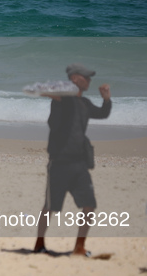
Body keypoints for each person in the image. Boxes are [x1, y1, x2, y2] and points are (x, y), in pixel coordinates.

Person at [33, 63, 112, 256]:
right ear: (76, 79)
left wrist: (106, 100)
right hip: (59, 162)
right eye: (87, 77)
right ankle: (39, 244)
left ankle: (79, 247)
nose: (90, 81)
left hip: (80, 164)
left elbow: (102, 114)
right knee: (49, 206)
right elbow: (52, 119)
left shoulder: (84, 104)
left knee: (89, 205)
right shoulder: (61, 100)